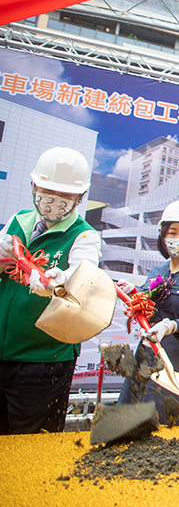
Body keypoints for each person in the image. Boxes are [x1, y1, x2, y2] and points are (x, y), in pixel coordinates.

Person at [0, 147, 101, 434]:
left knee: (31, 446)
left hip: (44, 362)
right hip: (2, 353)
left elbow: (85, 275)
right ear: (33, 186)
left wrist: (62, 280)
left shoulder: (84, 234)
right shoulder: (18, 222)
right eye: (46, 190)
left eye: (66, 196)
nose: (53, 201)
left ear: (80, 198)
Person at [117, 200, 179, 426]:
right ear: (163, 236)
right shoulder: (157, 271)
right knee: (133, 418)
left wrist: (169, 326)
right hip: (147, 357)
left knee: (174, 424)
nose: (178, 239)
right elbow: (144, 300)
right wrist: (132, 291)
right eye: (172, 232)